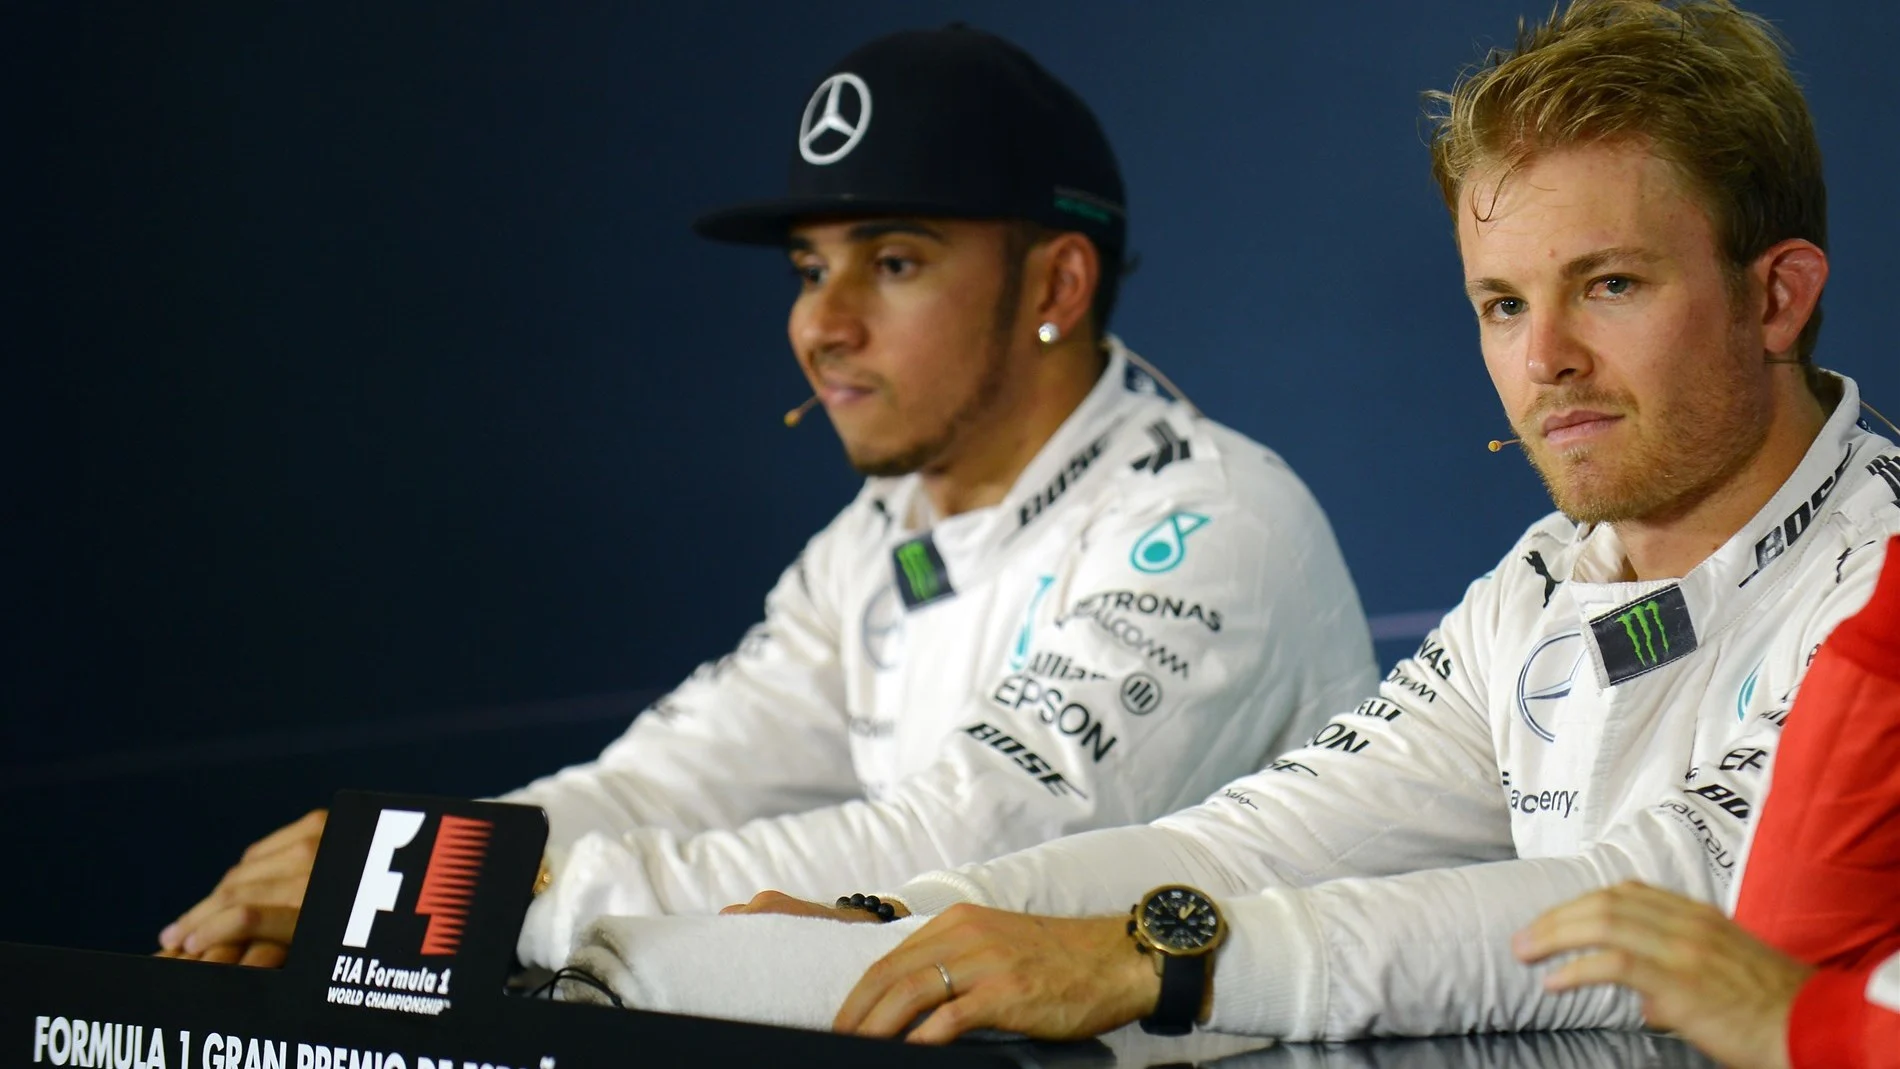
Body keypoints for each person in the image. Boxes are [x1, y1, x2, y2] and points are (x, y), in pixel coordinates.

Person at [553, 0, 1900, 1045]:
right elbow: (1256, 839)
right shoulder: (1537, 587)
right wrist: (890, 919)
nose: (1541, 357)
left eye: (1607, 284)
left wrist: (1168, 956)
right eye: (1500, 302)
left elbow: (1655, 904)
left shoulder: (1884, 576)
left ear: (1776, 298)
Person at [155, 26, 1377, 971]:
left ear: (1058, 278)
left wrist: (467, 894)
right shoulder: (874, 546)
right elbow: (664, 784)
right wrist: (410, 867)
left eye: (891, 263)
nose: (818, 325)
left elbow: (964, 853)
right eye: (808, 268)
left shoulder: (1212, 527)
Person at [1518, 533, 1900, 1069]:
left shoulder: (1861, 549)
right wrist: (1809, 1024)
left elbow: (1784, 1003)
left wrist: (1816, 1026)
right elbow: (1789, 965)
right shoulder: (1536, 564)